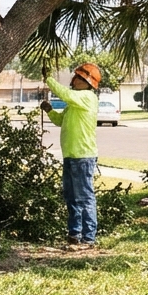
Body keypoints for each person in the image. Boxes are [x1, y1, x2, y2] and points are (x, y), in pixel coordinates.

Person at [40, 63, 101, 247]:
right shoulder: (74, 103)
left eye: (77, 77)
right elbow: (61, 121)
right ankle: (75, 234)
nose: (73, 80)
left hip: (83, 156)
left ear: (86, 82)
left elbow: (65, 94)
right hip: (71, 155)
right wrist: (50, 110)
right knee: (72, 197)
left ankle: (88, 238)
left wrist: (48, 79)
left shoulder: (87, 97)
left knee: (85, 197)